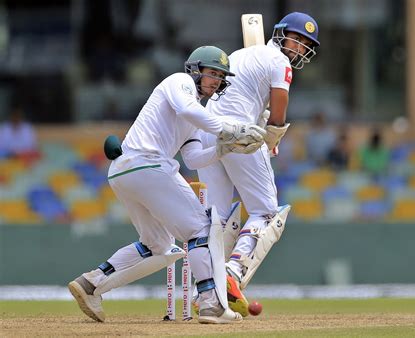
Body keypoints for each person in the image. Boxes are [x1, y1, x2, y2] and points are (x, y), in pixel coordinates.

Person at [68, 45, 266, 324]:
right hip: (146, 164)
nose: (216, 81)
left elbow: (195, 158)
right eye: (212, 73)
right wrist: (230, 129)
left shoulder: (198, 116)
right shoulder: (179, 82)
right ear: (195, 70)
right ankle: (211, 304)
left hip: (126, 172)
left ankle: (92, 284)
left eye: (221, 77)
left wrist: (225, 148)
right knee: (202, 228)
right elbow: (188, 109)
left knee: (158, 243)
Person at [197, 12, 320, 316]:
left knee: (218, 217)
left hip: (206, 130)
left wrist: (261, 121)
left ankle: (207, 296)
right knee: (265, 211)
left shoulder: (242, 54)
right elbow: (279, 110)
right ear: (280, 34)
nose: (300, 48)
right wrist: (272, 137)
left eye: (306, 45)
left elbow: (241, 98)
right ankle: (234, 270)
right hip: (239, 131)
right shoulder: (281, 63)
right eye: (297, 39)